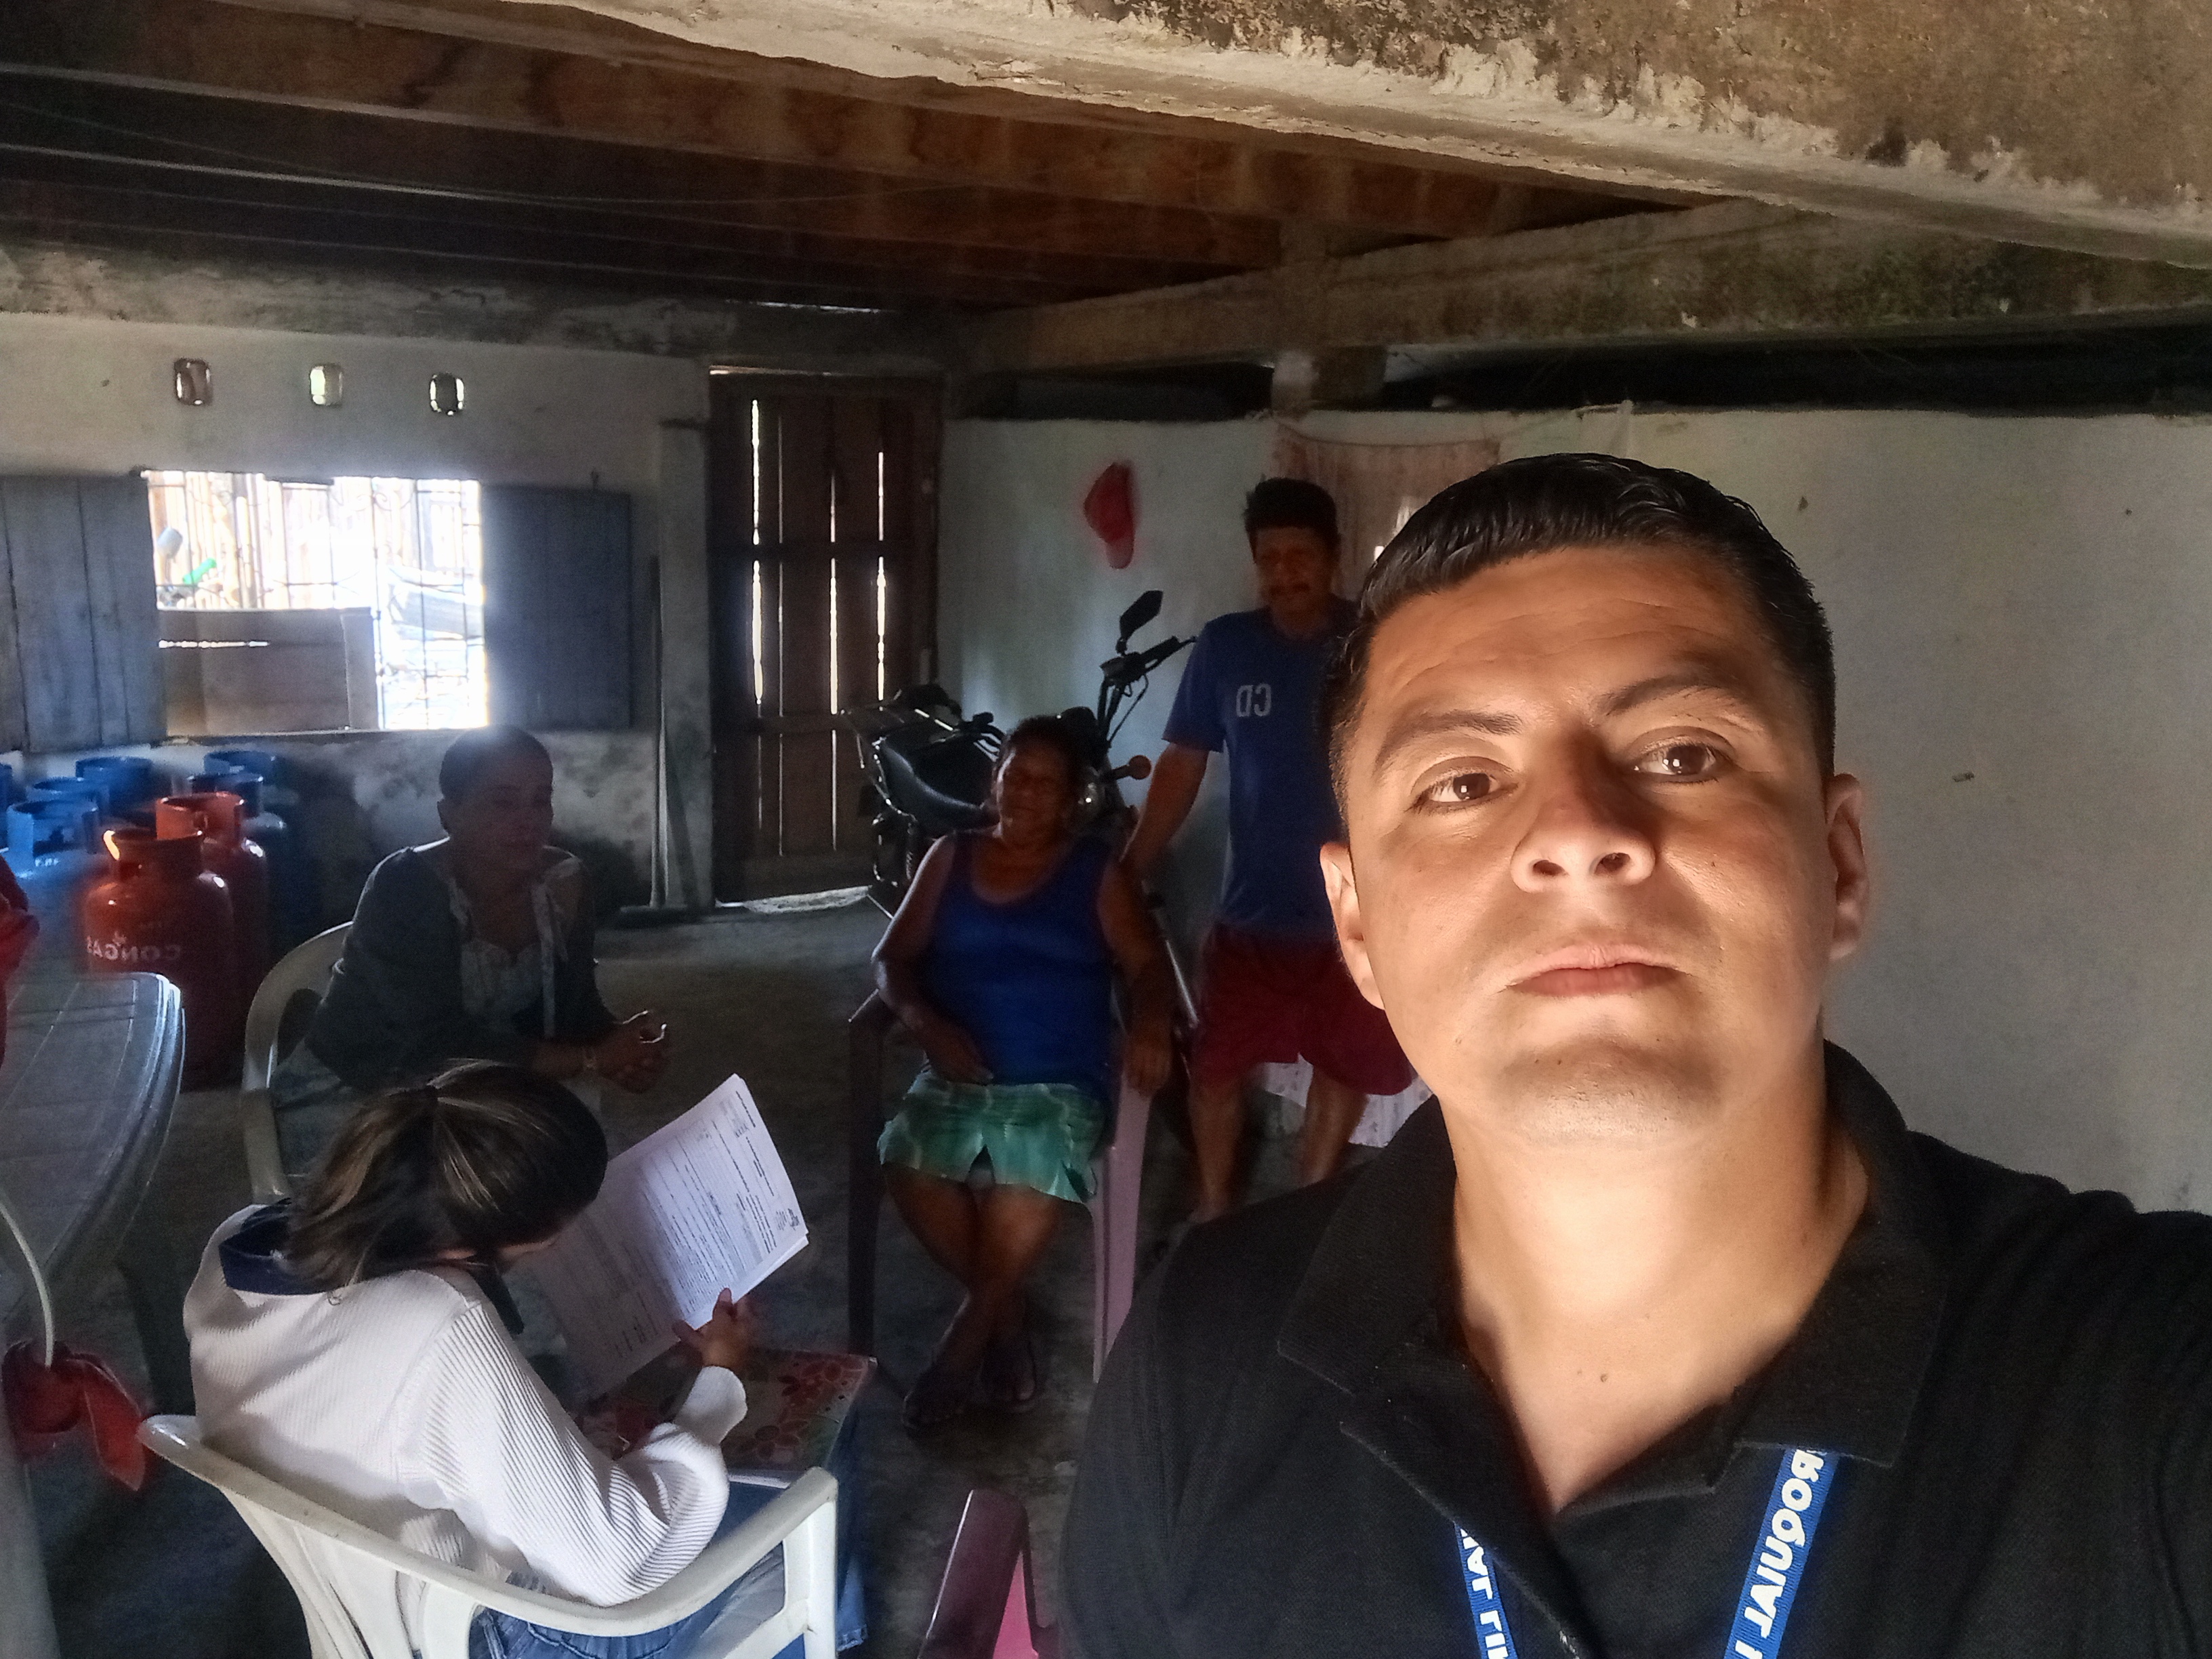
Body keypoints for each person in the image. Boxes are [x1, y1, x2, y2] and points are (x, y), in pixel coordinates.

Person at [1063, 453, 2212, 1658]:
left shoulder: (2145, 1382)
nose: (1575, 834)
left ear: (1838, 864)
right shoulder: (1201, 1355)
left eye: (1682, 755)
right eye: (1463, 782)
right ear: (1357, 925)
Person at [186, 1063, 766, 1659]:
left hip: (357, 1615)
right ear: (466, 1247)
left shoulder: (237, 1243)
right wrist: (717, 1386)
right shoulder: (440, 1323)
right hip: (471, 1635)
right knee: (789, 1510)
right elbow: (619, 1563)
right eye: (543, 1243)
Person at [1124, 477, 1413, 1218]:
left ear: (1334, 557)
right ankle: (1214, 1211)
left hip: (1354, 918)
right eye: (1270, 559)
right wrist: (1131, 864)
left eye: (1300, 557)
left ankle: (1305, 1209)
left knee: (1341, 1066)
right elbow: (1182, 764)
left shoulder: (1375, 644)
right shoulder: (1227, 646)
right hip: (1252, 916)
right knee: (1215, 1068)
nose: (1285, 574)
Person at [874, 715, 1172, 1429]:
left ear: (1071, 800)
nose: (1027, 792)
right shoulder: (951, 855)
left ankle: (961, 1349)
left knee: (1028, 1169)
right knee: (907, 1158)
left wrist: (1153, 1022)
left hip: (1058, 1080)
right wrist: (925, 1022)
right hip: (960, 1071)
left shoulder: (1095, 871)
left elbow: (1146, 965)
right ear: (996, 780)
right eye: (1017, 775)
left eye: (1047, 783)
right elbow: (891, 958)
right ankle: (1004, 1318)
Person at [272, 725, 666, 1174]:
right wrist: (591, 1059)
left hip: (482, 1093)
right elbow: (432, 1048)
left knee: (597, 1174)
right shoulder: (405, 887)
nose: (528, 820)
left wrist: (622, 1045)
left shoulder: (564, 884)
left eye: (541, 799)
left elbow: (573, 1010)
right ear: (449, 813)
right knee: (478, 1193)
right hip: (370, 1094)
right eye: (503, 801)